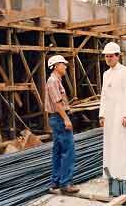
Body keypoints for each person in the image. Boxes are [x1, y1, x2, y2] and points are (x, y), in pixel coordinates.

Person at [99, 42, 126, 180]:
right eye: (106, 56)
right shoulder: (106, 74)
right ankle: (113, 174)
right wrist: (102, 114)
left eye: (111, 56)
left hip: (122, 115)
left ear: (118, 56)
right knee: (111, 145)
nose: (108, 59)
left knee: (125, 144)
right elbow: (103, 95)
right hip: (110, 116)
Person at [45, 55, 79, 193]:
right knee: (68, 151)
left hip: (56, 118)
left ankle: (56, 182)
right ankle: (65, 183)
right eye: (63, 64)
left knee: (58, 151)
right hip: (59, 118)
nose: (65, 66)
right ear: (56, 66)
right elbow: (57, 103)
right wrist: (66, 119)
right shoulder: (53, 81)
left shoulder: (56, 80)